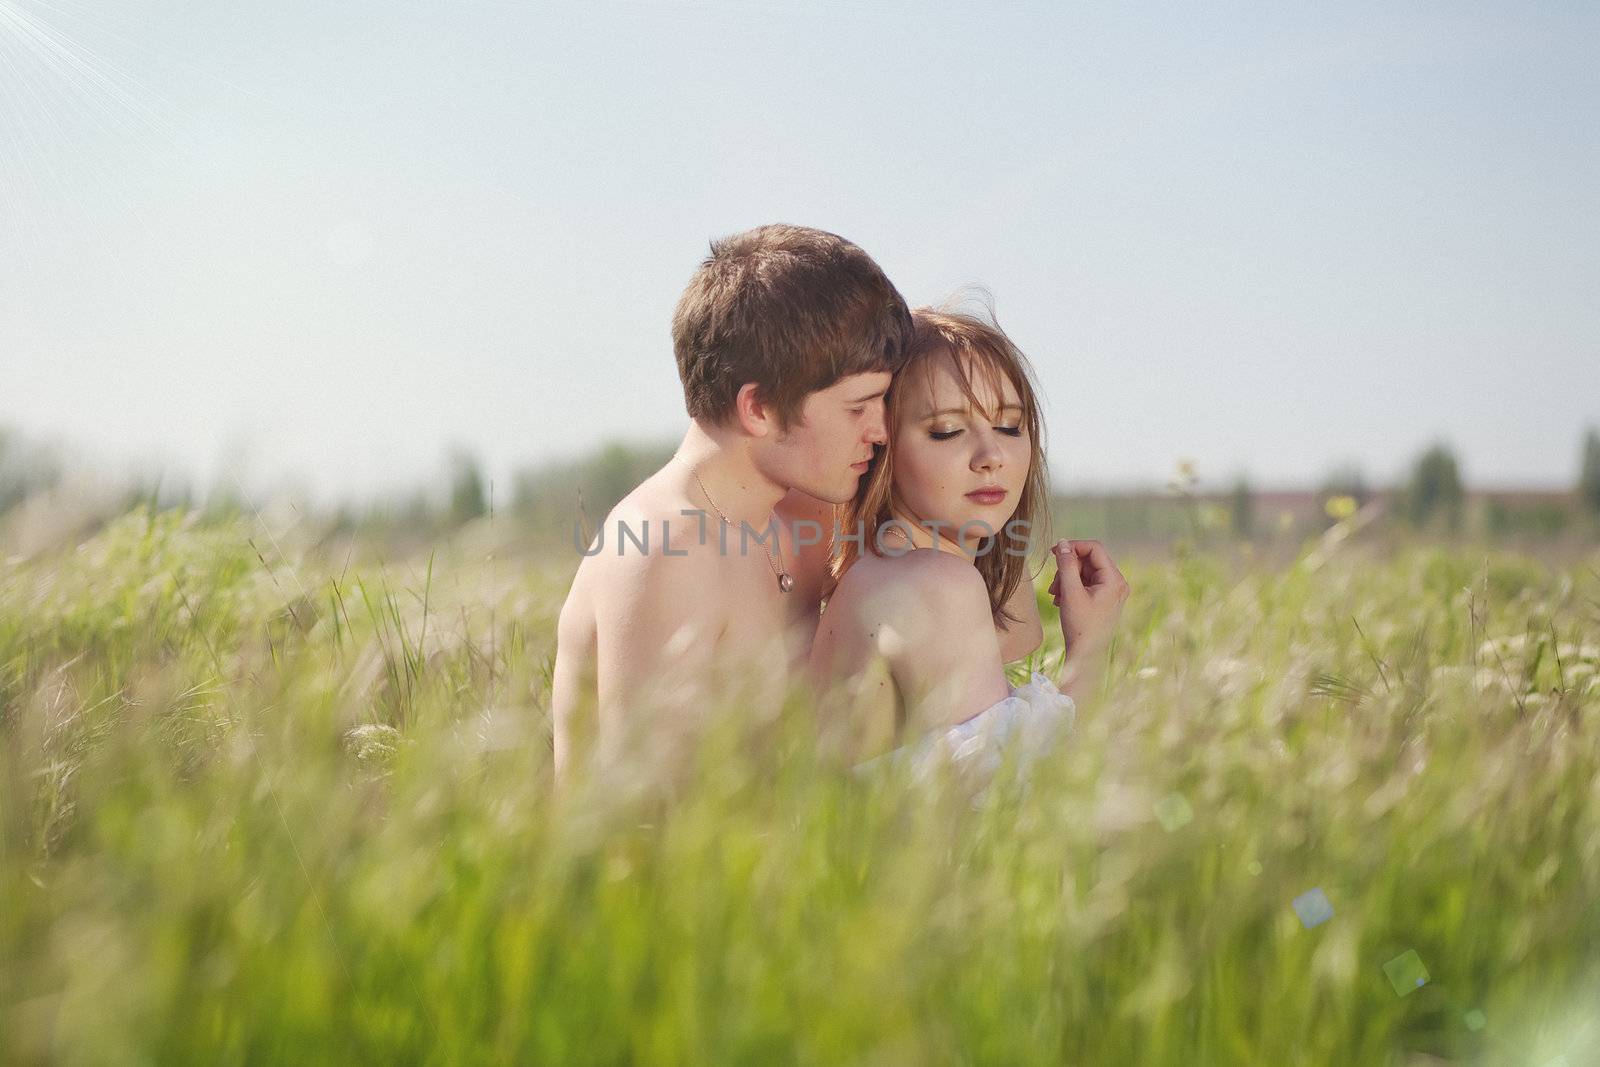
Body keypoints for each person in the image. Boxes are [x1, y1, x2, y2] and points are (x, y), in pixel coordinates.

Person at [550, 224, 914, 783]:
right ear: (760, 409)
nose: (882, 431)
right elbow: (638, 823)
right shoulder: (664, 549)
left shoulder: (801, 518)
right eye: (858, 406)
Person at [809, 304, 1130, 775]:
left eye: (1009, 426)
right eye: (946, 431)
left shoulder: (886, 568)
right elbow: (1009, 813)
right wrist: (1091, 651)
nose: (991, 455)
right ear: (882, 447)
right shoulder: (932, 583)